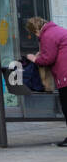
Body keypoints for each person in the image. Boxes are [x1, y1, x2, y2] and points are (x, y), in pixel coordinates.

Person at [24, 16, 67, 146]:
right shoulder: (57, 30)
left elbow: (47, 59)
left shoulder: (46, 35)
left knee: (66, 106)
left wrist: (33, 58)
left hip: (65, 74)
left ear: (35, 31)